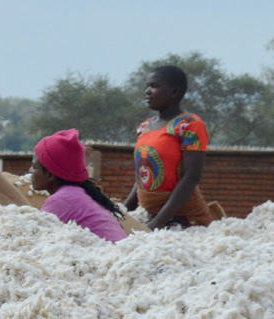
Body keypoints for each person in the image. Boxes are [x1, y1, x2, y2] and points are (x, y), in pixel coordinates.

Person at [124, 65, 217, 230]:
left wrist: (157, 223)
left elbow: (191, 177)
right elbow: (142, 177)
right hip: (148, 214)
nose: (147, 91)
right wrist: (123, 211)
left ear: (175, 92)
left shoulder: (189, 125)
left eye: (154, 86)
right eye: (147, 86)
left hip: (185, 220)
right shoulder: (144, 127)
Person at [30, 128, 127, 242]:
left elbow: (35, 240)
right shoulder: (79, 193)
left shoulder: (60, 201)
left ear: (50, 175)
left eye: (34, 167)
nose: (30, 170)